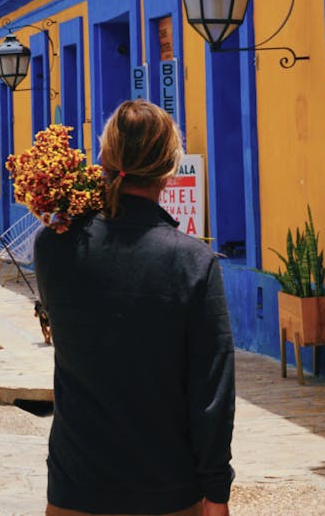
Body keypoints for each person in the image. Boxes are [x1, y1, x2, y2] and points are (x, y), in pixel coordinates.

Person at [34, 99, 235, 516]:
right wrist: (216, 490)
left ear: (103, 159)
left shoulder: (53, 246)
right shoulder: (191, 262)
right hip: (167, 489)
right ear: (170, 168)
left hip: (77, 485)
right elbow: (212, 389)